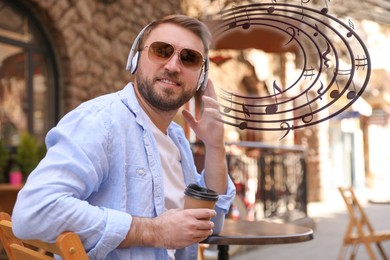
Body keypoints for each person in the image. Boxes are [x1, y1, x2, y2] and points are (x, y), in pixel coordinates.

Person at [12, 14, 236, 260]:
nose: (173, 66)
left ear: (201, 77)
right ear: (136, 59)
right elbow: (33, 212)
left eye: (189, 58)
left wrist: (215, 146)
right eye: (162, 51)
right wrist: (153, 231)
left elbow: (211, 223)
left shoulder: (176, 139)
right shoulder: (100, 122)